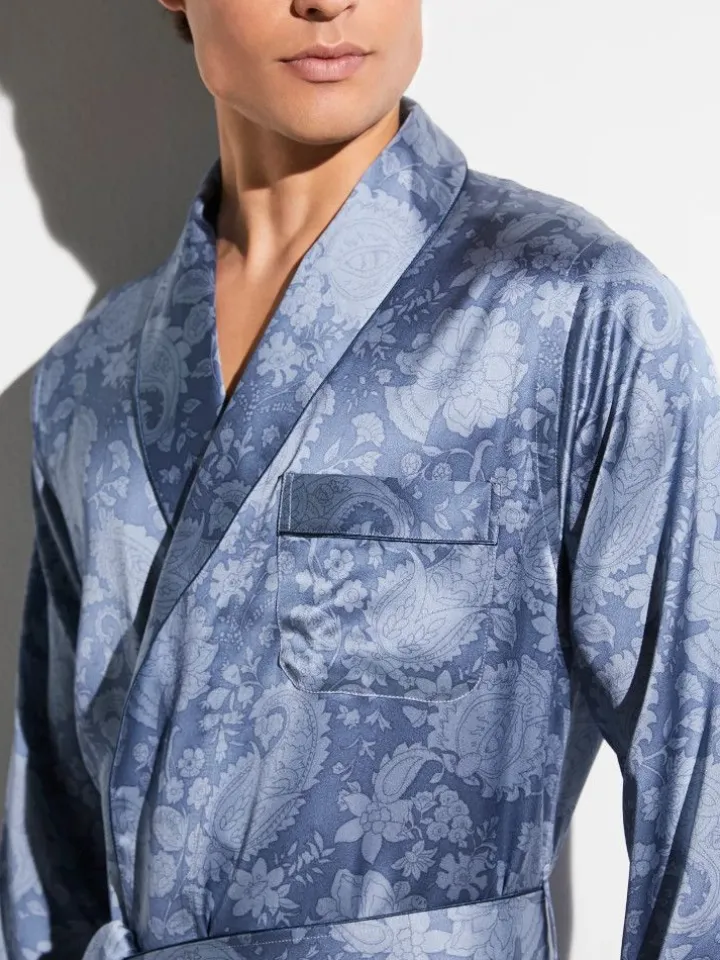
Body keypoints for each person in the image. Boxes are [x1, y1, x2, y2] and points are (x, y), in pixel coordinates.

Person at [1, 1, 719, 958]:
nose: (327, 0)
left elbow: (702, 768)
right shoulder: (87, 383)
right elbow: (50, 847)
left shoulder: (576, 314)